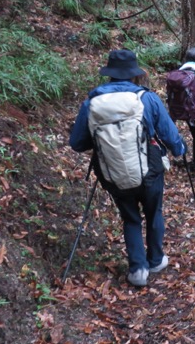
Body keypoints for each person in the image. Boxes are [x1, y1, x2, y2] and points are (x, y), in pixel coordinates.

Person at [69, 49, 186, 288]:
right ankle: (155, 260)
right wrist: (179, 149)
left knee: (130, 218)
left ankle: (137, 270)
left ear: (110, 74)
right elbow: (169, 134)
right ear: (133, 74)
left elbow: (77, 143)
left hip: (113, 174)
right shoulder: (147, 98)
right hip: (150, 171)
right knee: (154, 212)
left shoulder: (91, 103)